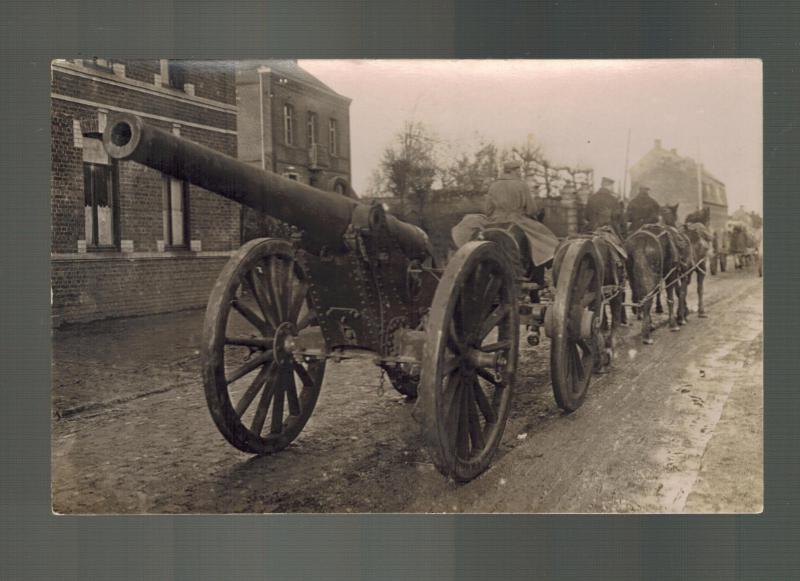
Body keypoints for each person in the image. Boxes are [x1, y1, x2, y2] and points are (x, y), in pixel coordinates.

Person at [451, 160, 559, 268]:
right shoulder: (521, 185)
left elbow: (488, 210)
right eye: (518, 170)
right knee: (544, 238)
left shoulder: (494, 186)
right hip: (517, 220)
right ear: (512, 171)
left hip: (495, 219)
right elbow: (531, 209)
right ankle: (543, 264)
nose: (519, 173)